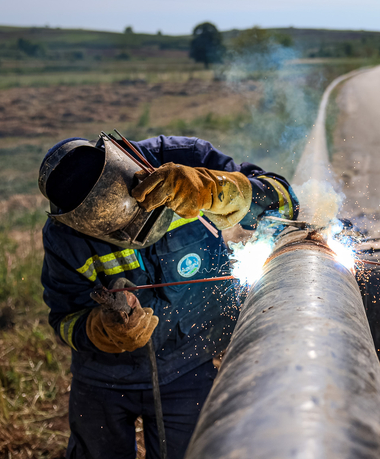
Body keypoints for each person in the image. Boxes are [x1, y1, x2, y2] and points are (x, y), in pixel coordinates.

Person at [38, 134, 298, 459]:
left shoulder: (186, 159)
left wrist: (216, 189)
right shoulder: (65, 235)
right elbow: (64, 317)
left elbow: (285, 202)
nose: (132, 237)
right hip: (103, 379)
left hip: (188, 366)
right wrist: (100, 329)